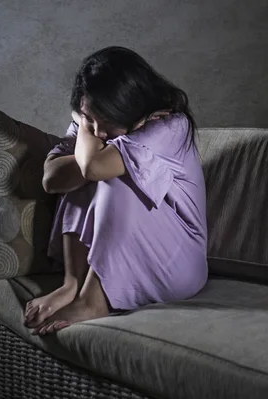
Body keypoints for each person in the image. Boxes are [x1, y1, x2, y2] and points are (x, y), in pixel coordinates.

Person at [23, 46, 208, 336]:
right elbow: (51, 179)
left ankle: (92, 301)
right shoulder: (95, 123)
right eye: (89, 120)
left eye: (106, 122)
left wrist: (82, 125)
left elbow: (95, 167)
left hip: (178, 260)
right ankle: (72, 284)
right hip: (125, 254)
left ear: (130, 108)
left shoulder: (172, 125)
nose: (97, 132)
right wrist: (87, 123)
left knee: (114, 176)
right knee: (81, 175)